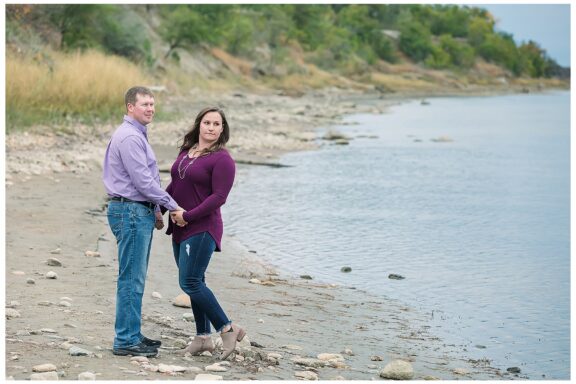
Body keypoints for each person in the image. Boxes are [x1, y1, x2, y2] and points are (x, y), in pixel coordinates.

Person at [102, 86, 184, 357]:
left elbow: (141, 183)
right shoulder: (129, 138)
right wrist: (172, 206)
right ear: (130, 107)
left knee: (135, 277)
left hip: (136, 211)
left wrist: (156, 210)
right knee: (131, 278)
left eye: (152, 104)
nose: (150, 108)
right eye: (144, 104)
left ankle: (131, 333)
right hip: (130, 213)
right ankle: (125, 340)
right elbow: (143, 182)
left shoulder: (136, 134)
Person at [164, 107, 245, 360]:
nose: (210, 127)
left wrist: (187, 216)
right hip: (179, 226)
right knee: (195, 282)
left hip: (202, 228)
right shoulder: (186, 152)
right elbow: (175, 184)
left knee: (189, 282)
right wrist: (160, 205)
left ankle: (227, 328)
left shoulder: (223, 159)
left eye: (216, 124)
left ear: (222, 130)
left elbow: (219, 197)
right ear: (199, 124)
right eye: (207, 122)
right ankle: (202, 338)